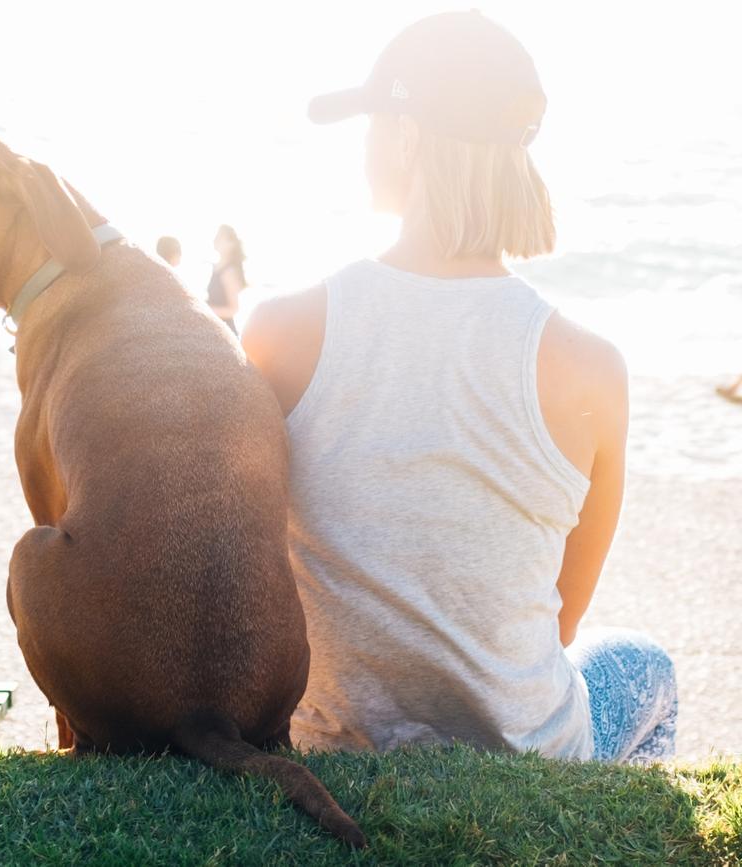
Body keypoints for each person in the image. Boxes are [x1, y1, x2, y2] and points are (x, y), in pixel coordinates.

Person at [242, 12, 675, 764]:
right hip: (527, 751)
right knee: (648, 666)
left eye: (373, 119)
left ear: (407, 135)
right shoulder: (591, 367)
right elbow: (561, 622)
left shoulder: (281, 329)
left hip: (331, 741)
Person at [205, 225, 246, 333]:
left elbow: (233, 309)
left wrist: (207, 309)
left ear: (231, 244)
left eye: (220, 238)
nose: (216, 240)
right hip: (214, 327)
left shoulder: (229, 272)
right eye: (217, 236)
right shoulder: (216, 267)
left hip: (224, 331)